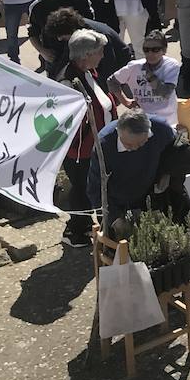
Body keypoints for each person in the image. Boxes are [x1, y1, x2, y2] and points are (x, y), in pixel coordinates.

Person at [58, 30, 115, 247]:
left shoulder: (89, 72)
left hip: (98, 144)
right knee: (82, 189)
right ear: (85, 56)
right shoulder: (68, 82)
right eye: (99, 52)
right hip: (80, 150)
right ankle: (75, 230)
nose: (102, 55)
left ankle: (94, 226)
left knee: (94, 188)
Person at [86, 106, 176, 236]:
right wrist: (114, 218)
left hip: (148, 196)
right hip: (116, 203)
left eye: (141, 144)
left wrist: (167, 173)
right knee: (117, 245)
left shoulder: (162, 130)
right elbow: (94, 188)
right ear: (118, 131)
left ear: (149, 132)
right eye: (128, 145)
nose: (134, 149)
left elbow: (176, 152)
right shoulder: (104, 146)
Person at [108, 31, 180, 125]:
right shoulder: (134, 66)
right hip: (143, 120)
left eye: (155, 49)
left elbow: (164, 93)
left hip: (167, 119)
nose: (150, 53)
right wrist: (125, 102)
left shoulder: (171, 65)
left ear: (164, 50)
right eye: (146, 49)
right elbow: (112, 82)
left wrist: (148, 73)